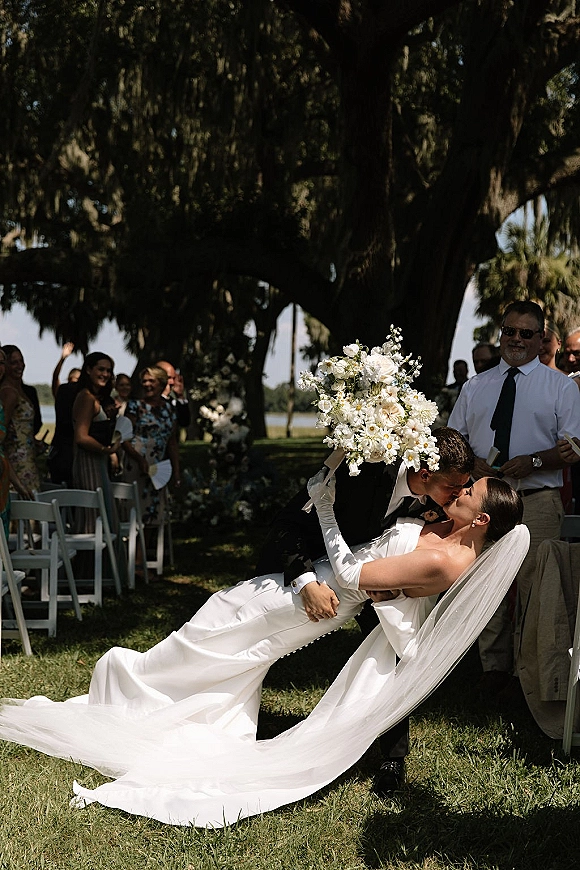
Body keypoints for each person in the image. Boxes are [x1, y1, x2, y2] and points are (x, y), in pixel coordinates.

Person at [0, 475, 527, 827]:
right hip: (309, 592)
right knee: (222, 646)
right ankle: (168, 700)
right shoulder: (447, 536)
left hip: (309, 600)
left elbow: (351, 575)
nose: (458, 490)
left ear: (481, 521)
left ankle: (133, 684)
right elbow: (392, 582)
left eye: (468, 492)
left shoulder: (448, 562)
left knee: (209, 634)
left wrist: (323, 508)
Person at [254, 426, 474, 795]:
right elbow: (290, 521)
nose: (459, 494)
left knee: (395, 658)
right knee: (260, 643)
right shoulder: (363, 470)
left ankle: (392, 757)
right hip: (310, 568)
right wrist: (304, 580)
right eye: (453, 488)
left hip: (377, 582)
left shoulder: (443, 496)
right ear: (424, 474)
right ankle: (241, 718)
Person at [449, 300, 580, 701]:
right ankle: (493, 668)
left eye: (526, 333)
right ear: (500, 333)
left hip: (537, 499)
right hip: (483, 500)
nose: (516, 340)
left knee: (535, 586)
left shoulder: (559, 387)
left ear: (541, 339)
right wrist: (471, 464)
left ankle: (528, 674)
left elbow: (574, 445)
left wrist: (535, 460)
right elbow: (452, 441)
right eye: (510, 331)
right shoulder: (476, 387)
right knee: (482, 581)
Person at [121, 366, 180, 528]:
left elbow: (172, 442)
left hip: (158, 468)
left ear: (161, 384)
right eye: (144, 381)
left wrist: (176, 471)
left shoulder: (170, 409)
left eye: (151, 381)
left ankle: (145, 552)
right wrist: (139, 459)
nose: (147, 384)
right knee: (135, 516)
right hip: (137, 464)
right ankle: (133, 552)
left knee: (154, 516)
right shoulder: (134, 406)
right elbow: (123, 438)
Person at [72, 353, 118, 530]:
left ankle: (103, 557)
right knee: (93, 522)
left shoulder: (96, 398)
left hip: (98, 463)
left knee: (103, 518)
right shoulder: (86, 398)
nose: (105, 374)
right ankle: (91, 558)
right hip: (88, 464)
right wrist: (106, 450)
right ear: (89, 370)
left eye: (108, 370)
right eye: (101, 369)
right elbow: (81, 437)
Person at [0, 345, 43, 494]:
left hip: (28, 458)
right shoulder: (9, 393)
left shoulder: (22, 390)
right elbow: (1, 432)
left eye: (21, 361)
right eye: (14, 362)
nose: (20, 366)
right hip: (17, 463)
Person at [156, 359, 191, 429]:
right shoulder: (146, 400)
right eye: (168, 378)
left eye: (174, 378)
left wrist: (180, 396)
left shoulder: (172, 402)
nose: (172, 382)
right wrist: (164, 394)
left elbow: (184, 422)